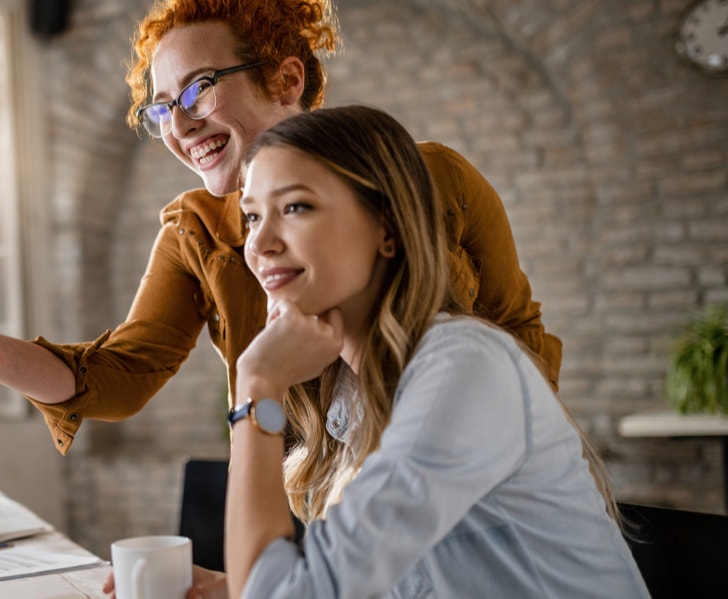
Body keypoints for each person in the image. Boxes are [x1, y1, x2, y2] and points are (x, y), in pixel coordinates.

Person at [0, 0, 563, 459]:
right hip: (301, 505)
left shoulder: (433, 180)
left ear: (287, 80)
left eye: (198, 88)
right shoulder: (197, 231)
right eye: (162, 108)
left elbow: (519, 337)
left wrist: (507, 463)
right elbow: (123, 374)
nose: (182, 124)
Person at [223, 105, 646, 598]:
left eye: (295, 207)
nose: (260, 243)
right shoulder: (350, 398)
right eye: (252, 216)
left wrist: (256, 384)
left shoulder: (463, 366)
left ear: (388, 228)